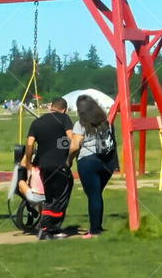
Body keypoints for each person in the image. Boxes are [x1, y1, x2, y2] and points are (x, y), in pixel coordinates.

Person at [21, 97, 75, 240]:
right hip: (60, 164)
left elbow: (30, 144)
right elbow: (71, 138)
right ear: (64, 109)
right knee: (60, 198)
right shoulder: (64, 119)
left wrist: (28, 161)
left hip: (43, 166)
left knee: (49, 198)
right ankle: (51, 230)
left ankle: (45, 228)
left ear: (51, 106)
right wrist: (69, 156)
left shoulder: (37, 122)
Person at [70, 94, 118, 238]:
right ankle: (98, 226)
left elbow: (74, 147)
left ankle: (94, 230)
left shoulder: (80, 125)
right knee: (97, 194)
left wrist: (68, 160)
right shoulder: (105, 121)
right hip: (107, 162)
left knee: (93, 195)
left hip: (88, 162)